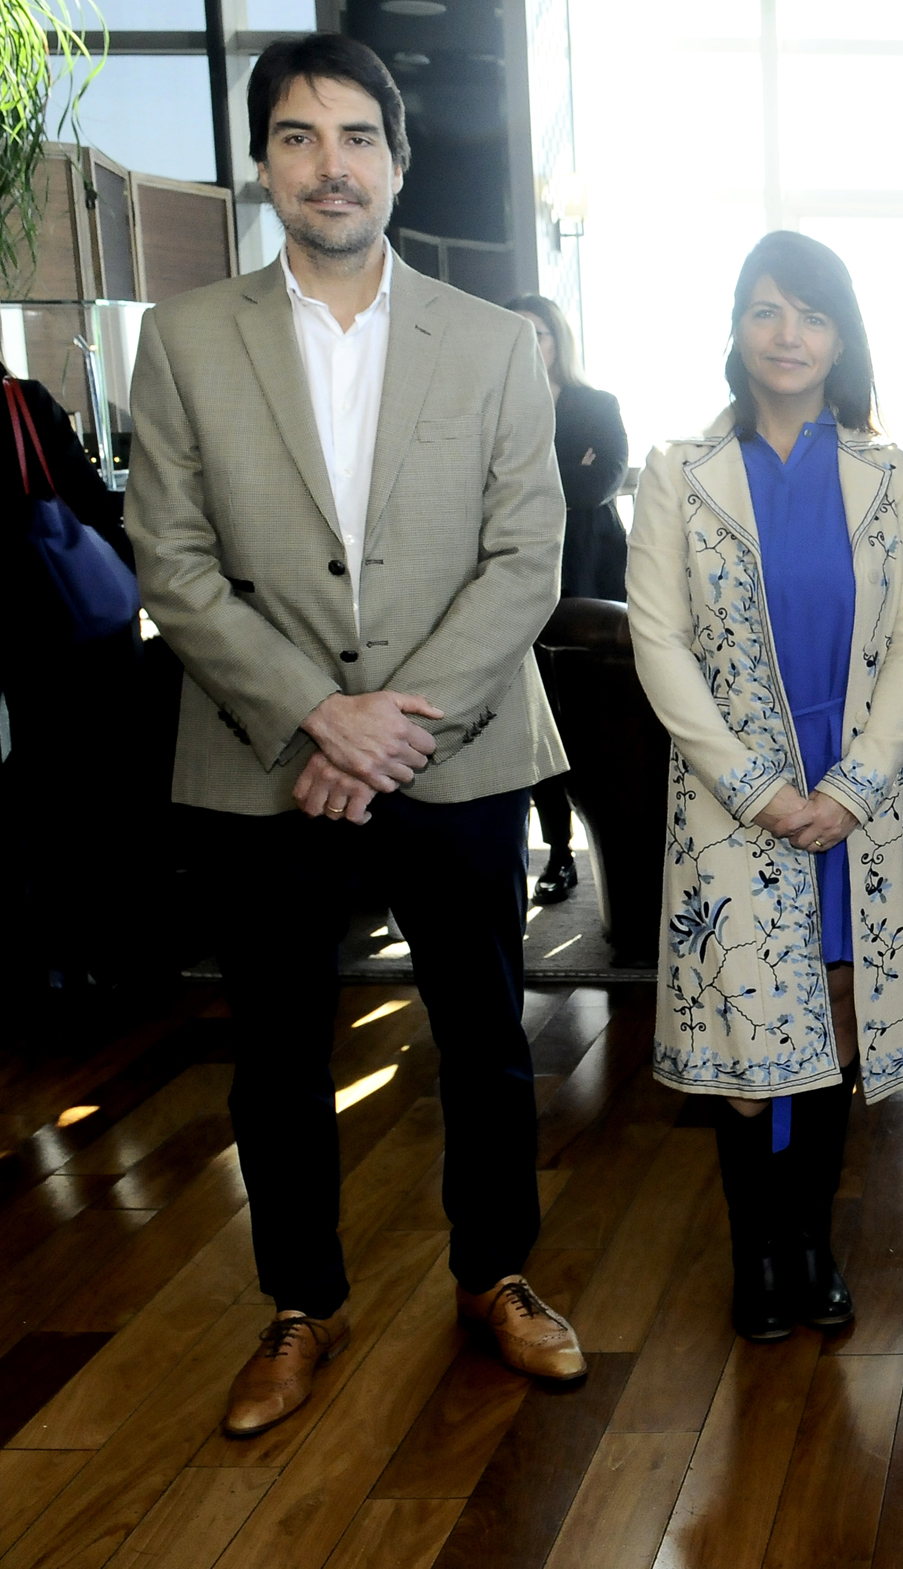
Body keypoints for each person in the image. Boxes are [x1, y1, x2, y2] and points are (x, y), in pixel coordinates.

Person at [124, 34, 581, 1438]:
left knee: (484, 1036)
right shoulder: (188, 337)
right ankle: (300, 1303)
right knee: (273, 1044)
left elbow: (526, 559)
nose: (332, 165)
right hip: (265, 749)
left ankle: (495, 1275)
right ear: (264, 164)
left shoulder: (497, 342)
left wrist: (391, 724)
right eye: (299, 138)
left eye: (357, 137)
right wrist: (316, 713)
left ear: (398, 157)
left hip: (456, 744)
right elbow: (170, 554)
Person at [627, 230, 903, 1340]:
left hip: (852, 794)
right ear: (737, 330)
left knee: (837, 1015)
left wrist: (852, 788)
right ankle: (756, 1256)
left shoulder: (890, 475)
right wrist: (757, 787)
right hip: (731, 798)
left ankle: (812, 1247)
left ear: (842, 335)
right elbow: (656, 641)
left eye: (811, 314)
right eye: (767, 310)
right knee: (748, 1041)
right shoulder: (680, 473)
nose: (789, 334)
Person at [0, 363, 137, 995]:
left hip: (26, 640)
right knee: (85, 792)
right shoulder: (18, 404)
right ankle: (95, 956)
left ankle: (36, 958)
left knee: (29, 795)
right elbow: (93, 507)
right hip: (58, 634)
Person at [507, 293, 628, 904]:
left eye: (541, 336)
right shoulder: (496, 406)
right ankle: (557, 853)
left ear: (559, 342)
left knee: (589, 720)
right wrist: (566, 469)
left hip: (591, 581)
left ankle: (610, 849)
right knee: (537, 722)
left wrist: (540, 481)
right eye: (519, 334)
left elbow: (600, 482)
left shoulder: (595, 405)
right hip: (519, 582)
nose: (532, 346)